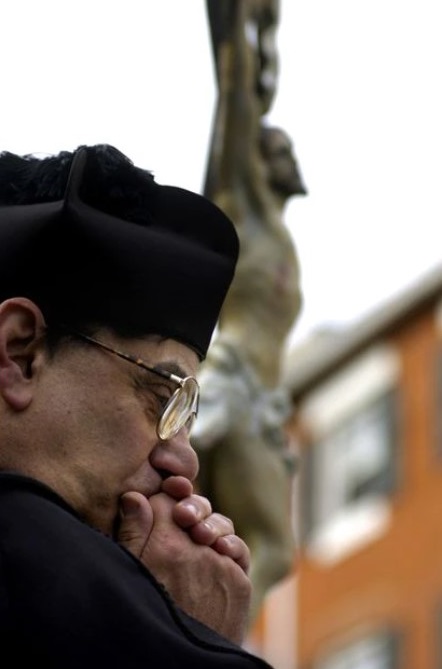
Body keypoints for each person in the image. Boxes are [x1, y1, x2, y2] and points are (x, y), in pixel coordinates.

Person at [0, 143, 276, 668]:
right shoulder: (34, 562)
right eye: (160, 395)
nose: (184, 460)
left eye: (189, 416)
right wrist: (184, 635)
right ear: (21, 353)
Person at [191, 0, 307, 624]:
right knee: (274, 550)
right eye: (280, 147)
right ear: (258, 160)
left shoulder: (277, 237)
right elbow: (236, 91)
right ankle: (220, 646)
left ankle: (189, 634)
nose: (293, 157)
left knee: (223, 544)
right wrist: (241, 22)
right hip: (235, 389)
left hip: (253, 399)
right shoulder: (242, 206)